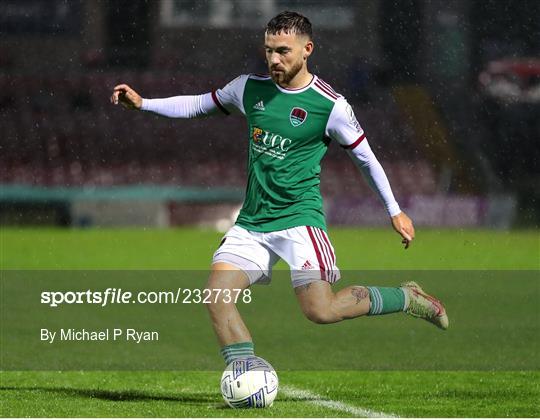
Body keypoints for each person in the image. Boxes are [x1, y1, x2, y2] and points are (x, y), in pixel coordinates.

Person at [111, 11, 448, 366]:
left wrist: (393, 209)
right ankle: (246, 373)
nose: (273, 59)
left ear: (307, 50)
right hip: (252, 223)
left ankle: (406, 298)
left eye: (283, 51)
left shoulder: (330, 105)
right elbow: (198, 104)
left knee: (322, 310)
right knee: (216, 297)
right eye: (269, 50)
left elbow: (366, 158)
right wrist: (144, 104)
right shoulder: (248, 88)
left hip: (300, 220)